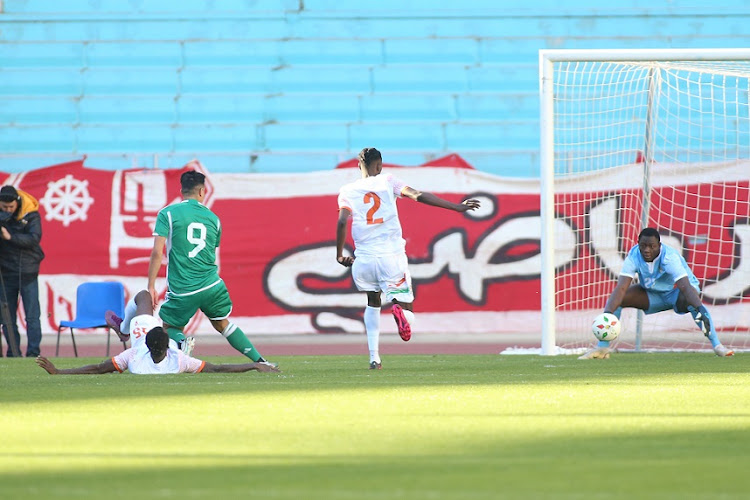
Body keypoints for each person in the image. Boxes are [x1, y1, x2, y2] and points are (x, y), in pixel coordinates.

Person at [336, 147, 481, 370]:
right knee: (407, 309)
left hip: (363, 259)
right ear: (380, 165)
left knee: (372, 302)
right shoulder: (388, 181)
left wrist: (339, 254)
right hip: (390, 255)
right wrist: (456, 207)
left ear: (358, 167)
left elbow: (342, 221)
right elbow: (417, 195)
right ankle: (400, 311)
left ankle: (374, 358)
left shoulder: (347, 190)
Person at [147, 171, 271, 364]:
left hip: (184, 288)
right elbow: (210, 251)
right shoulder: (214, 219)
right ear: (202, 192)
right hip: (212, 285)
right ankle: (260, 360)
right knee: (222, 324)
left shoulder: (167, 214)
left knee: (170, 327)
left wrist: (151, 285)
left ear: (181, 190)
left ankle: (181, 342)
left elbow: (157, 252)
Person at [580, 227, 734, 359]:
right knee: (619, 298)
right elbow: (621, 287)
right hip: (653, 295)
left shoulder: (669, 257)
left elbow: (685, 287)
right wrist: (607, 316)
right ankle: (602, 348)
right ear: (638, 244)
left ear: (659, 245)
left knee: (691, 301)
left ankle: (717, 345)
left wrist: (700, 307)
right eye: (643, 246)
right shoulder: (634, 255)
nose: (647, 250)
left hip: (677, 294)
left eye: (651, 246)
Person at [35, 326, 280, 375]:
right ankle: (123, 324)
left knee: (143, 300)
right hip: (150, 340)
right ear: (168, 347)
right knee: (144, 300)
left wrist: (60, 372)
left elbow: (99, 368)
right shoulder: (178, 360)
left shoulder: (133, 356)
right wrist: (253, 364)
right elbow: (217, 368)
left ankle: (123, 325)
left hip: (143, 339)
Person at [0, 185, 44, 358]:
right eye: (4, 208)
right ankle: (14, 353)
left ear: (17, 203)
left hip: (28, 271)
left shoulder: (31, 214)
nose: (8, 211)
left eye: (11, 207)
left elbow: (34, 238)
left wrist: (10, 237)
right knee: (7, 318)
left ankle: (33, 353)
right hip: (5, 273)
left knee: (32, 316)